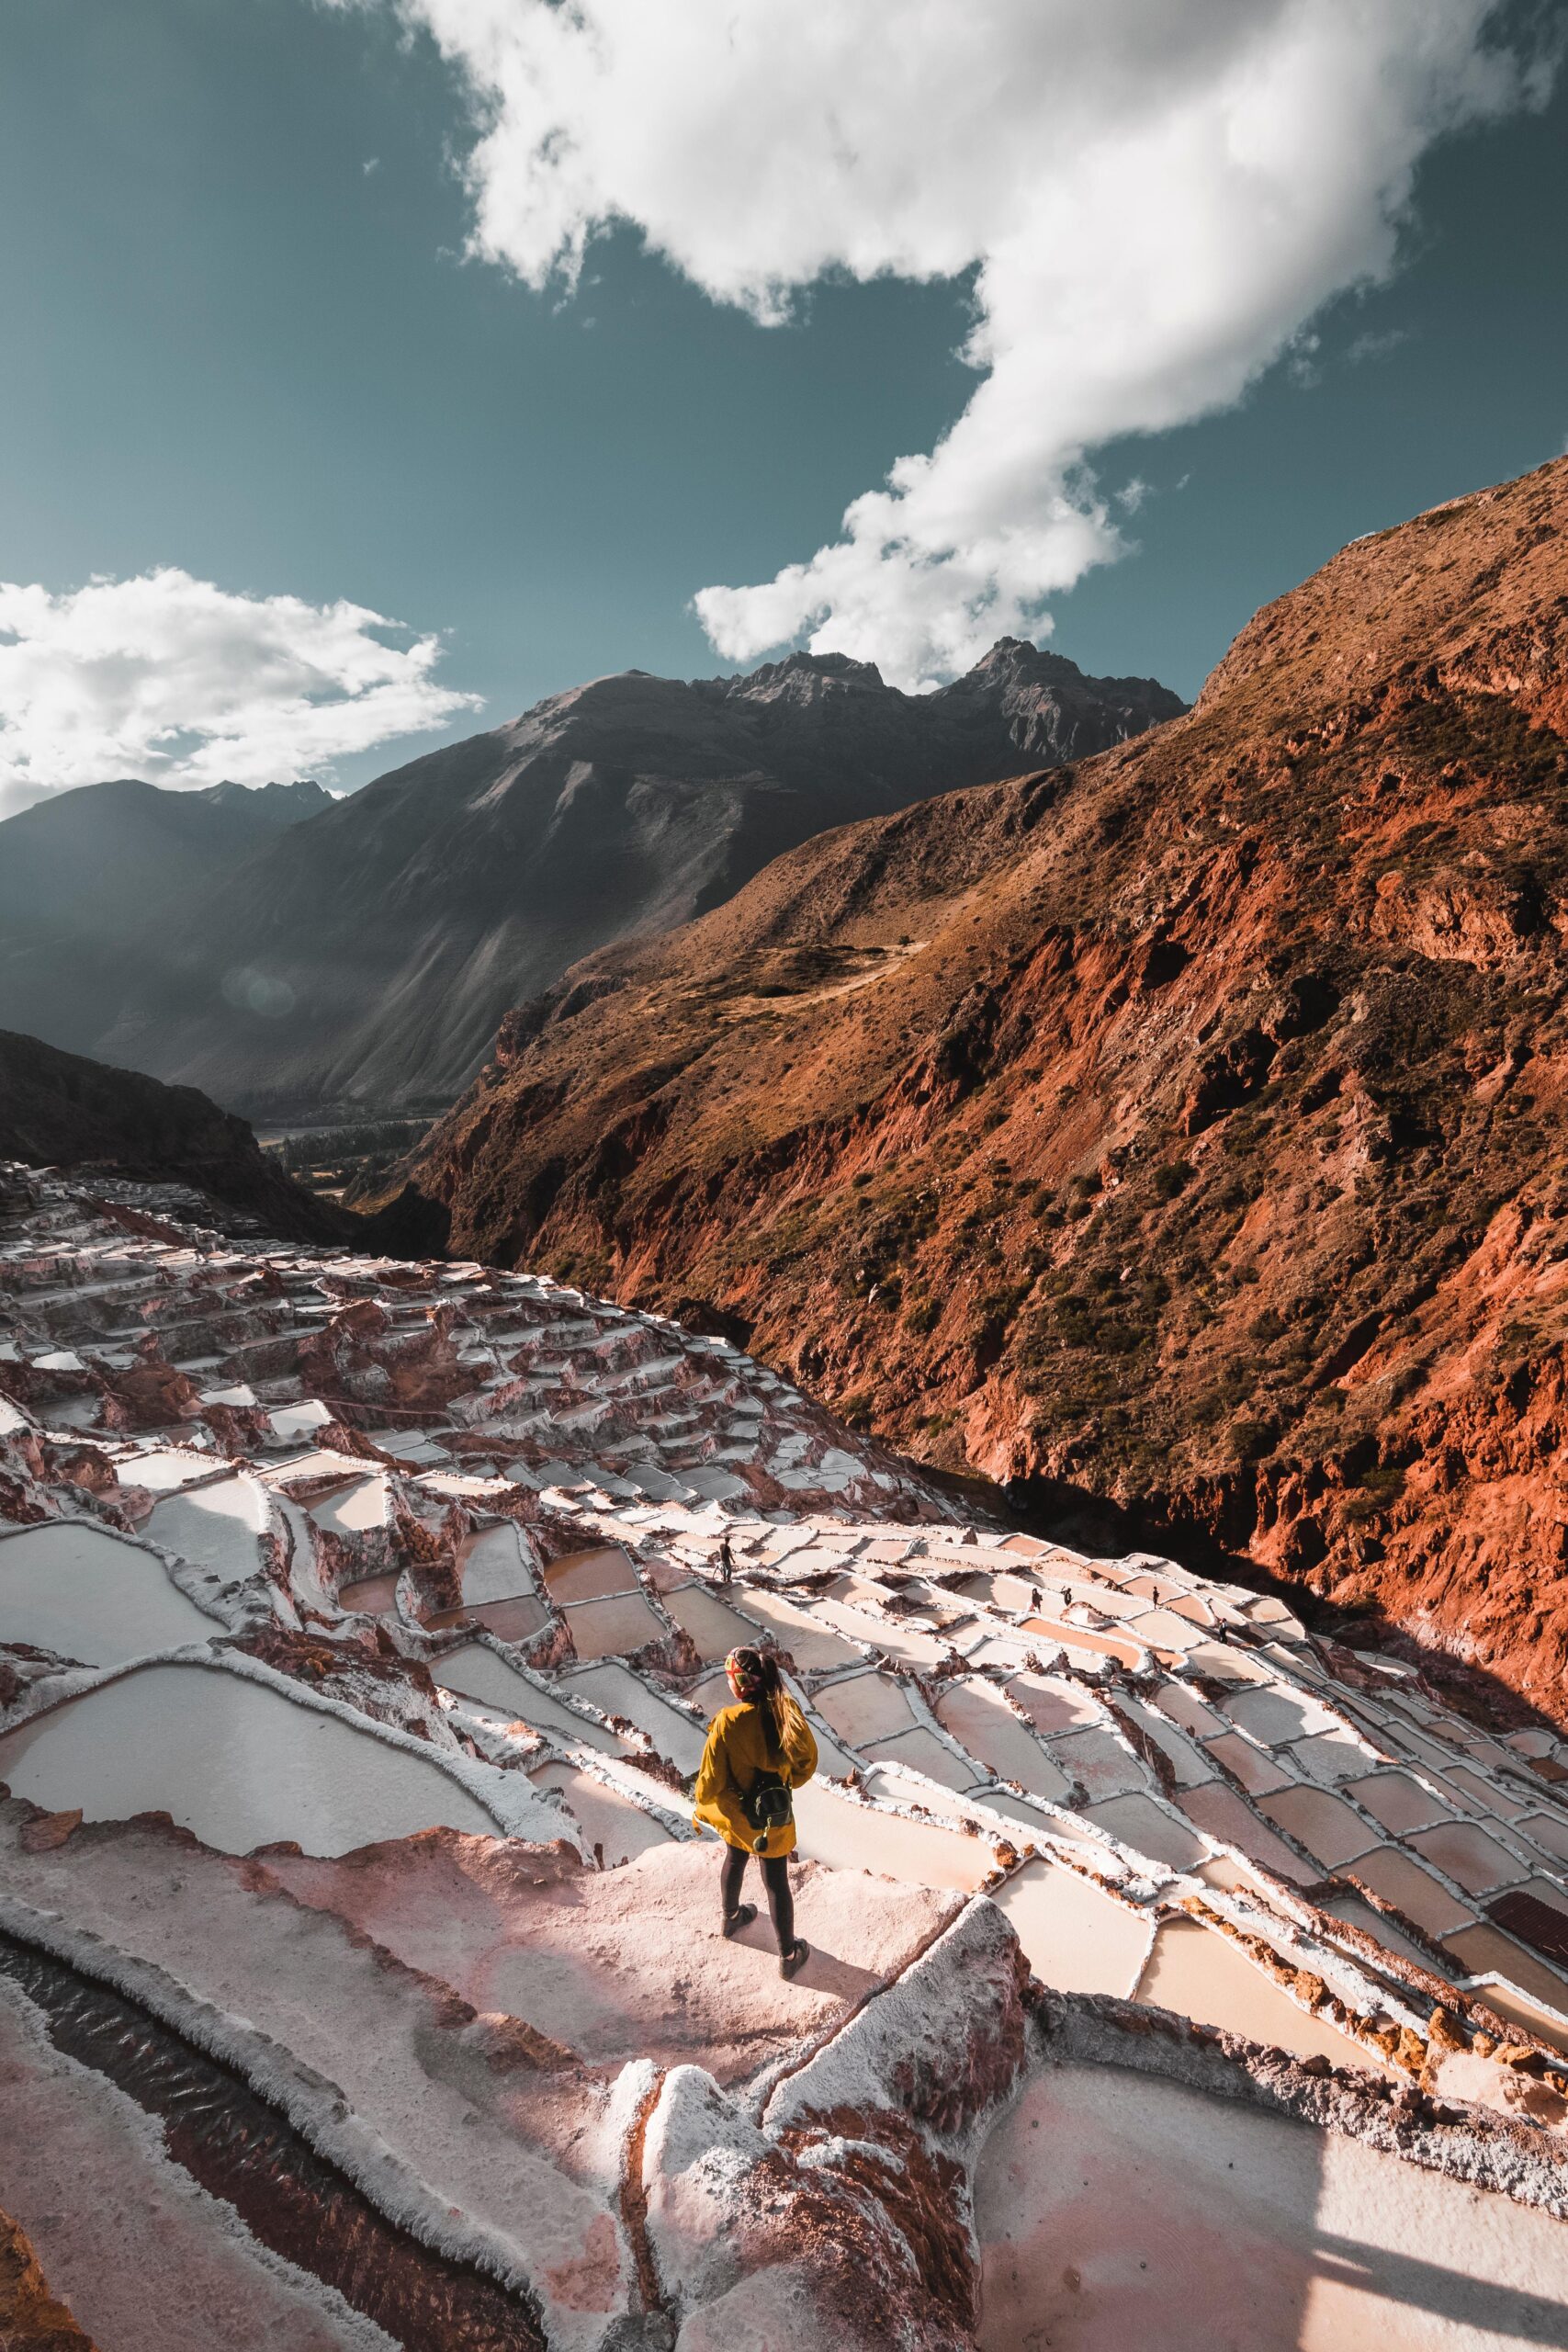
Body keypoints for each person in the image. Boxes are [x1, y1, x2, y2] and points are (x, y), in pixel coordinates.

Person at [693, 1646, 817, 1978]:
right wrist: (787, 1781)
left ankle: (730, 1919)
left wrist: (702, 1804)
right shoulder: (786, 1711)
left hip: (740, 1814)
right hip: (774, 1816)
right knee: (776, 1882)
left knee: (734, 1858)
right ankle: (788, 1956)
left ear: (740, 1685)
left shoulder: (727, 1723)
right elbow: (807, 1764)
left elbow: (710, 1779)